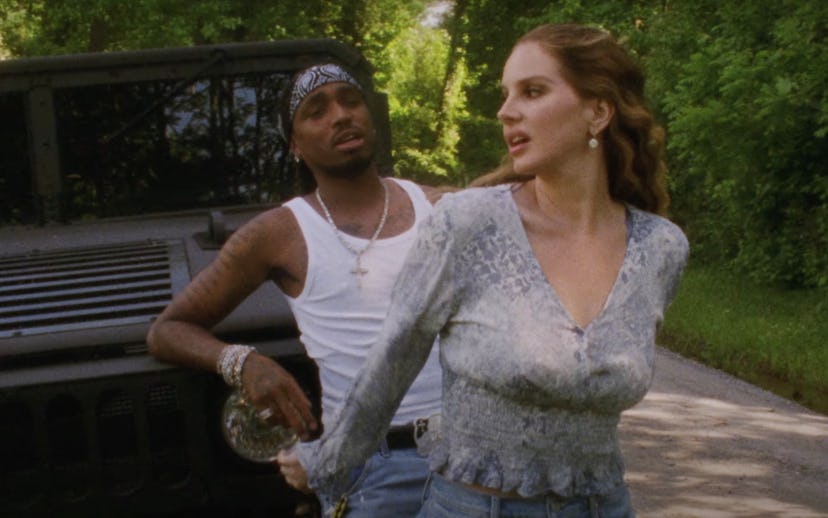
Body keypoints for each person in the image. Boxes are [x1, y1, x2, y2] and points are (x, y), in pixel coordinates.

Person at [303, 23, 690, 518]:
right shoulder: (467, 224)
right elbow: (389, 364)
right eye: (506, 94)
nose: (507, 111)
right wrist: (325, 466)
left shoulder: (659, 248)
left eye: (533, 91)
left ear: (598, 112)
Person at [146, 61, 444, 517]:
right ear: (295, 144)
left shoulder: (442, 205)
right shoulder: (278, 233)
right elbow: (168, 331)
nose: (341, 115)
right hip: (375, 474)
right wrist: (244, 362)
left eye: (351, 100)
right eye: (316, 111)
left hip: (478, 456)